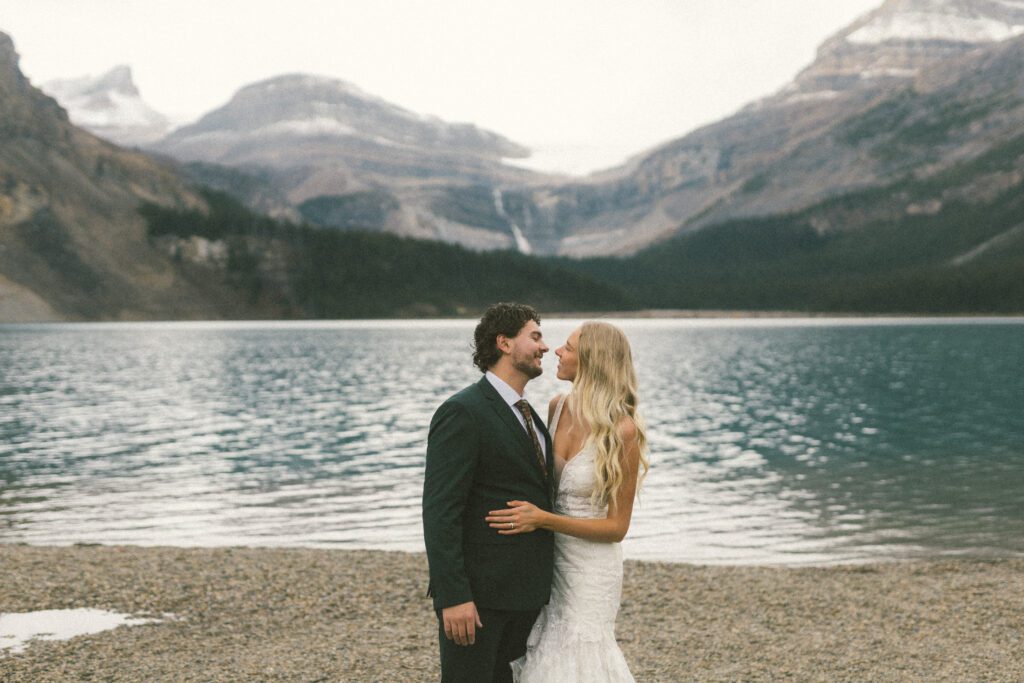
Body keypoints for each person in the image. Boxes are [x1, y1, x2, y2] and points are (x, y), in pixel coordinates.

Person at [485, 321, 649, 682]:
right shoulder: (557, 407)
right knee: (547, 652)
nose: (556, 351)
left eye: (569, 347)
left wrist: (544, 520)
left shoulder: (623, 431)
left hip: (591, 568)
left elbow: (617, 528)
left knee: (581, 652)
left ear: (592, 360)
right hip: (549, 561)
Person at [422, 302, 555, 683]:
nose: (544, 346)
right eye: (535, 336)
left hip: (526, 596)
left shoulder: (527, 413)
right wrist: (454, 597)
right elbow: (440, 510)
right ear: (504, 343)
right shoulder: (463, 411)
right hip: (478, 599)